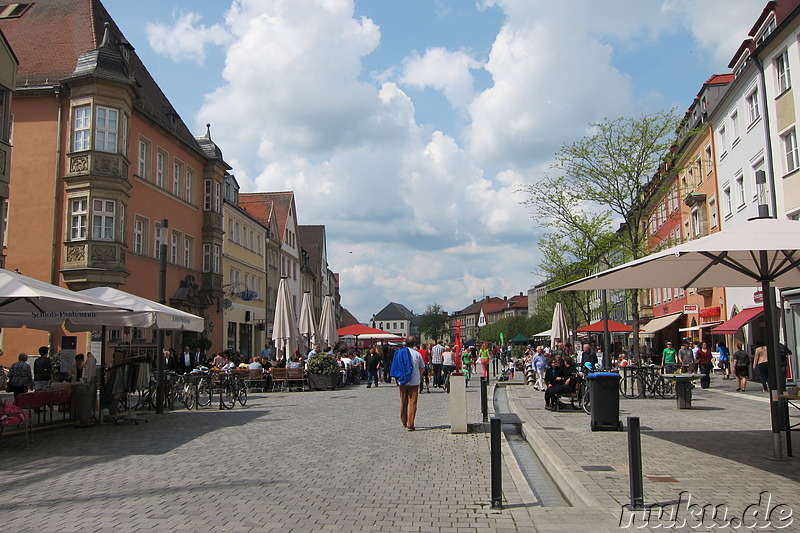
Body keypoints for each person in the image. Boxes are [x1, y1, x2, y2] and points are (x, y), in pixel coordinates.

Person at [389, 336, 425, 431]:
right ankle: (410, 424)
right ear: (414, 344)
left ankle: (404, 420)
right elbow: (422, 368)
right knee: (413, 403)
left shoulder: (399, 353)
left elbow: (395, 366)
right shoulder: (417, 354)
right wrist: (418, 374)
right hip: (414, 381)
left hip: (403, 381)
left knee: (404, 402)